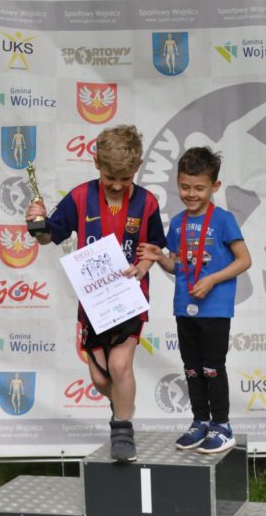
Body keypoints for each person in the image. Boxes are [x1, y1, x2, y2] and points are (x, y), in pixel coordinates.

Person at [25, 124, 165, 463]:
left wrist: (142, 267)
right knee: (102, 379)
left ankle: (122, 430)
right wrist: (37, 223)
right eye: (110, 177)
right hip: (93, 303)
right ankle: (121, 403)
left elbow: (154, 247)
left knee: (120, 365)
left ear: (138, 166)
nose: (117, 185)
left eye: (125, 179)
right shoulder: (79, 197)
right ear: (96, 163)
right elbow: (50, 236)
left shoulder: (147, 202)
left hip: (129, 299)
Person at [139, 147, 252, 454]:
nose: (191, 194)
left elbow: (244, 260)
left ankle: (222, 426)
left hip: (215, 309)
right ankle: (200, 421)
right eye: (185, 187)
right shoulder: (177, 223)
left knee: (212, 367)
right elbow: (178, 265)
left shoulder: (224, 220)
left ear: (215, 186)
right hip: (184, 307)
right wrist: (158, 257)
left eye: (199, 188)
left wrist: (213, 279)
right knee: (191, 368)